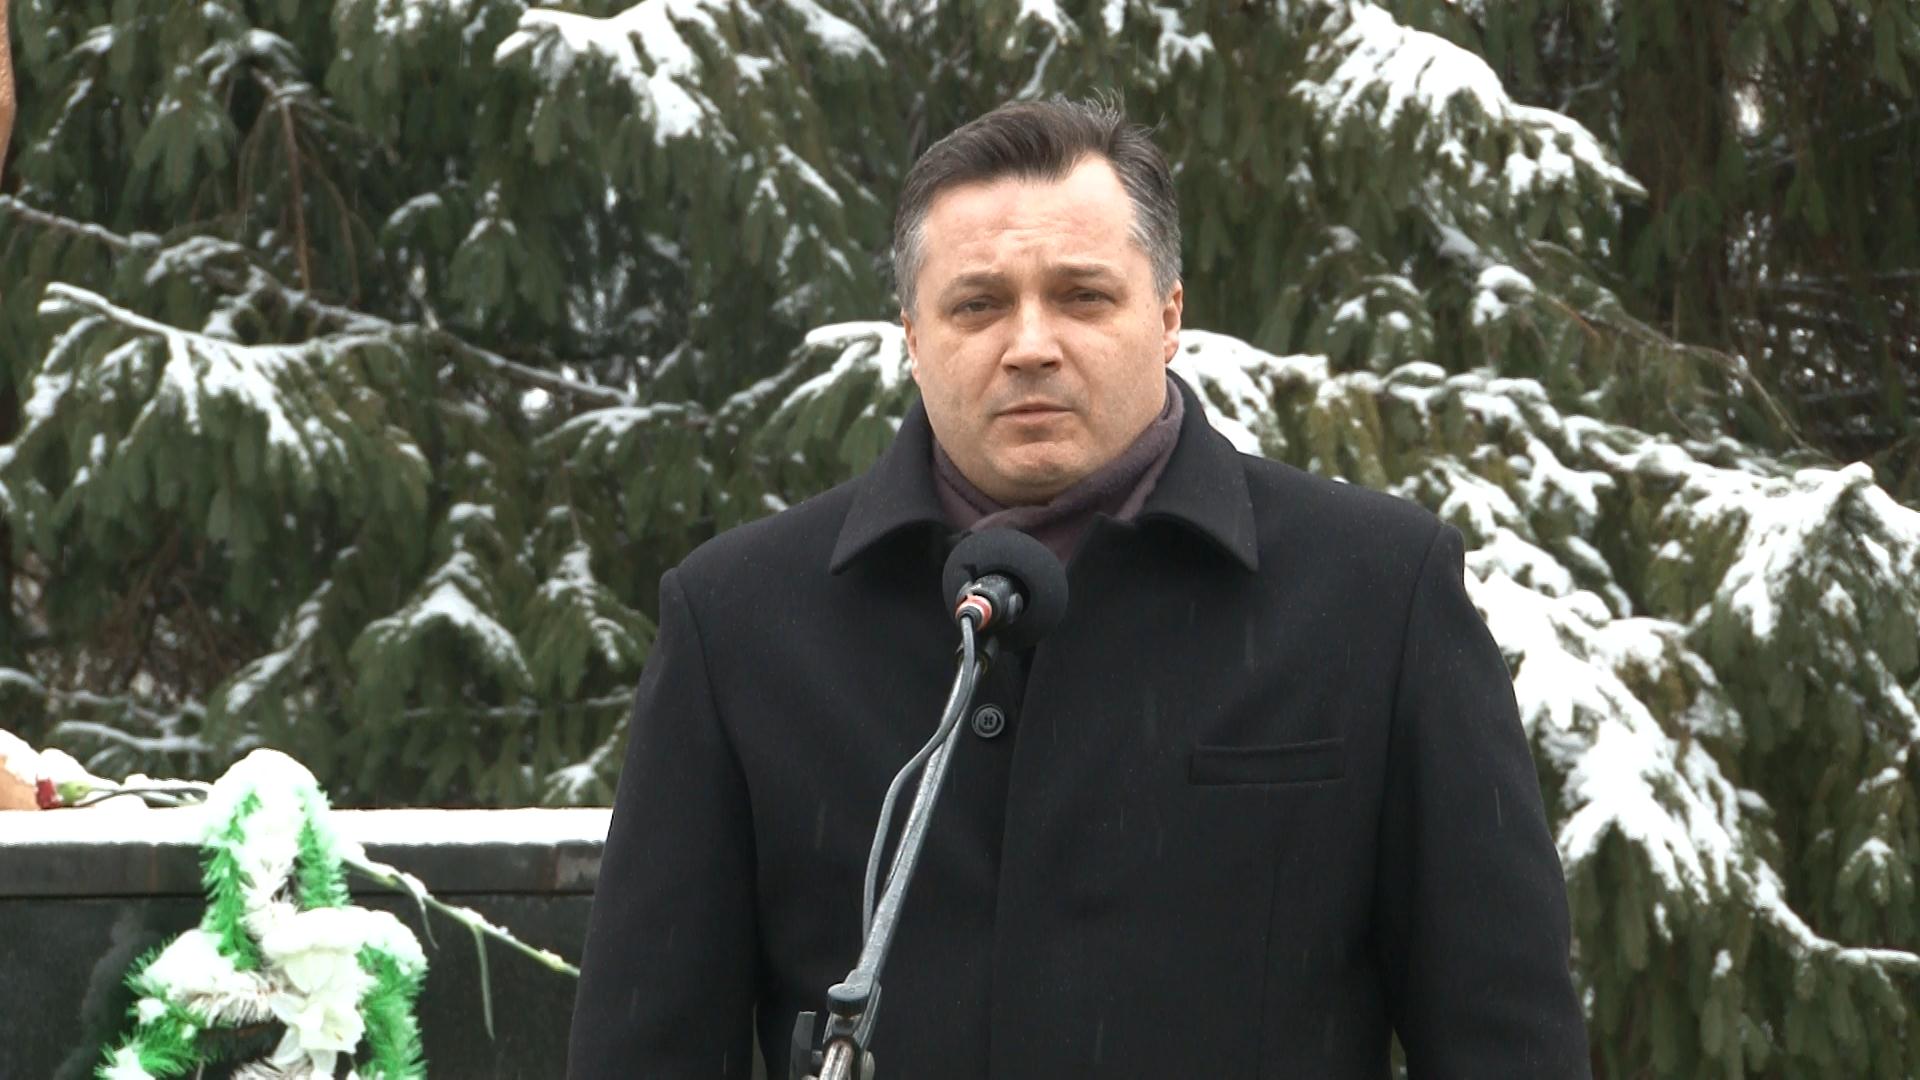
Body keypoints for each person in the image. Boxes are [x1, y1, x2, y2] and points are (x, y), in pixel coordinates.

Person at [567, 97, 1590, 1079]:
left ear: (1169, 316)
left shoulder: (1376, 596)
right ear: (912, 337)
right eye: (977, 305)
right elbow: (646, 1050)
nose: (1030, 346)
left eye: (1082, 296)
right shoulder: (740, 622)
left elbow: (1505, 1040)